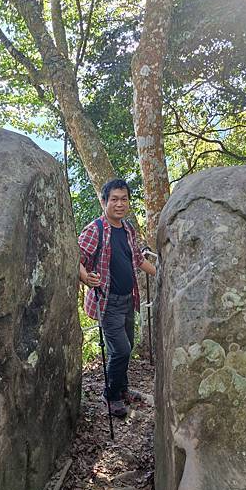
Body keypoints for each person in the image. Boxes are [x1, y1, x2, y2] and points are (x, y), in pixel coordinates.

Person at [78, 178, 156, 417]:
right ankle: (111, 396)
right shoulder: (96, 229)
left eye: (124, 199)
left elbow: (138, 260)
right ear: (104, 201)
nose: (119, 204)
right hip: (107, 301)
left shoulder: (129, 229)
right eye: (114, 199)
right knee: (120, 350)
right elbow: (76, 258)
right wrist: (86, 278)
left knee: (128, 346)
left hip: (127, 299)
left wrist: (162, 273)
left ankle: (122, 389)